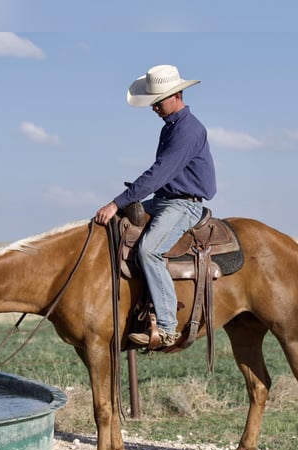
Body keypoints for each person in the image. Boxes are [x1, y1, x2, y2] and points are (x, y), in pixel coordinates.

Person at [94, 64, 217, 348]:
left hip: (182, 205)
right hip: (164, 200)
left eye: (157, 102)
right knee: (117, 229)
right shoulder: (171, 127)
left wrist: (117, 202)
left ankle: (166, 327)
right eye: (152, 103)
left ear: (176, 95)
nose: (154, 108)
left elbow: (159, 173)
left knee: (150, 251)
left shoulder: (188, 130)